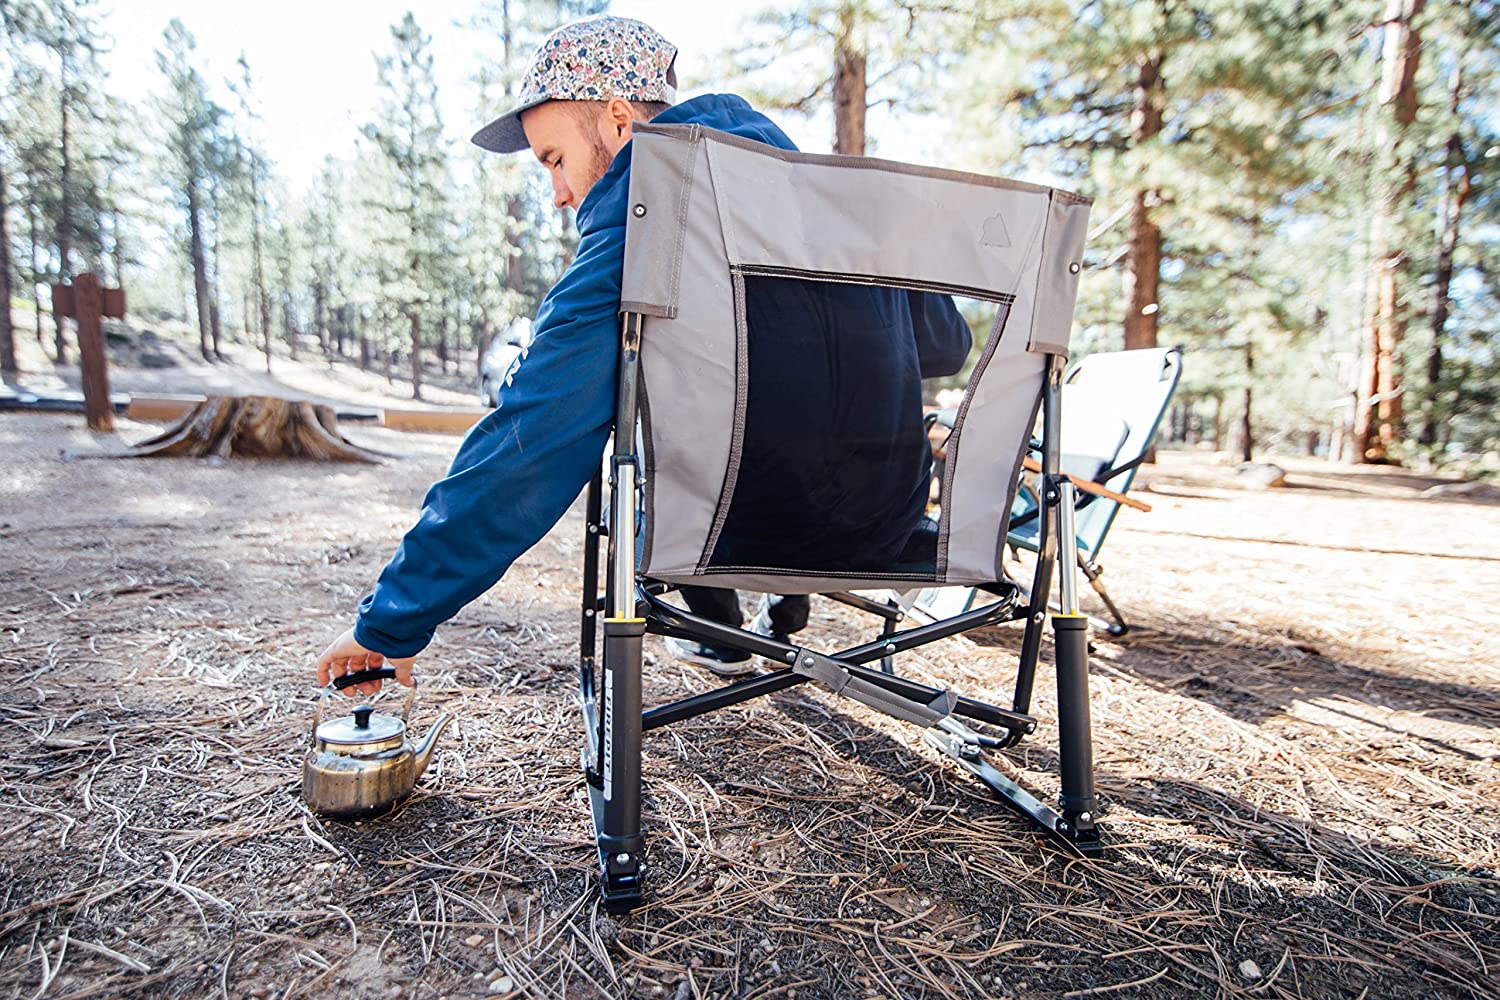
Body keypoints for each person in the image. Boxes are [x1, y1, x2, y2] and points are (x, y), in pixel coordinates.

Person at [316, 15, 969, 696]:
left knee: (662, 457)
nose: (558, 194)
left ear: (619, 120)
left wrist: (392, 619)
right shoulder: (842, 204)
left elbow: (532, 437)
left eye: (554, 160)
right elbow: (947, 345)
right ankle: (777, 616)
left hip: (728, 536)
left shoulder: (641, 225)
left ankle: (723, 634)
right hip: (887, 525)